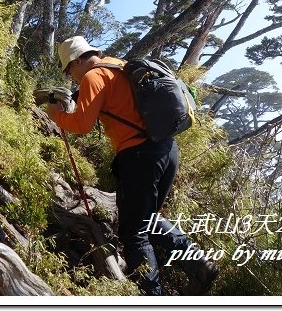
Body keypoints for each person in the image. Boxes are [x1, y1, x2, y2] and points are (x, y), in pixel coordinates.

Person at [45, 36, 218, 296]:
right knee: (148, 218)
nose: (72, 77)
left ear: (79, 60)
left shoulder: (93, 77)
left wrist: (55, 114)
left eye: (70, 70)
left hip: (138, 155)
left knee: (134, 232)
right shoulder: (119, 65)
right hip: (166, 148)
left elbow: (81, 125)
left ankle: (151, 295)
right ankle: (197, 263)